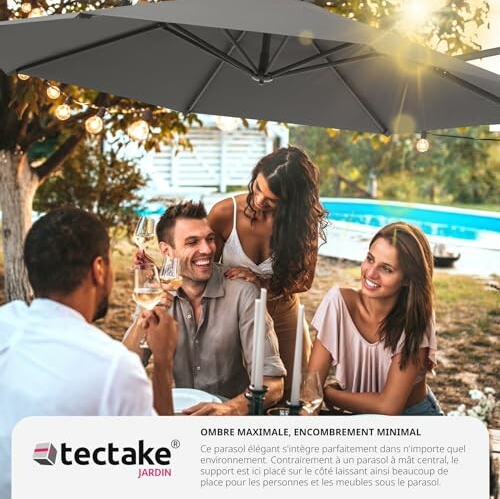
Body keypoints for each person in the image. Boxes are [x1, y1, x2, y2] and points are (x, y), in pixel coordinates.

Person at [0, 207, 178, 499]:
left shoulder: (6, 324)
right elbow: (162, 470)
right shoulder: (114, 367)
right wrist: (163, 361)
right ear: (99, 269)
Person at [125, 201, 286, 415]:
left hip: (230, 419)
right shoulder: (155, 294)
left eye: (210, 239)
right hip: (179, 414)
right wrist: (143, 319)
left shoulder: (243, 292)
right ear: (167, 251)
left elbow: (274, 385)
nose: (207, 249)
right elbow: (126, 368)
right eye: (192, 242)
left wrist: (231, 408)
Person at [208, 146, 328, 400]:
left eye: (272, 200)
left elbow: (305, 280)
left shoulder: (303, 221)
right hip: (234, 315)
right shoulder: (224, 213)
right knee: (238, 397)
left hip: (283, 313)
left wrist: (260, 281)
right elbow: (201, 267)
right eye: (257, 188)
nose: (260, 200)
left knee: (290, 395)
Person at [308, 222, 443, 415]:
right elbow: (310, 388)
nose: (370, 273)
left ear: (407, 279)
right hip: (358, 419)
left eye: (386, 269)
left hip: (413, 418)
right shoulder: (337, 303)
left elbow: (388, 407)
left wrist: (329, 395)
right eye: (370, 259)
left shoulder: (417, 316)